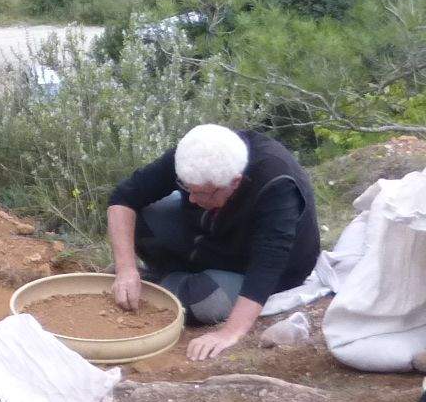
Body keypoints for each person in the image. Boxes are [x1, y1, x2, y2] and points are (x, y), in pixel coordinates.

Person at [105, 122, 320, 363]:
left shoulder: (276, 183)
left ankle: (157, 284)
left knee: (205, 303)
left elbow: (268, 263)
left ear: (235, 182)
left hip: (256, 264)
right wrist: (126, 268)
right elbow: (123, 198)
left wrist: (230, 333)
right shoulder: (194, 153)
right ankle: (158, 281)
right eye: (187, 188)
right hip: (209, 236)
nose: (192, 198)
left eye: (202, 193)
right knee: (143, 217)